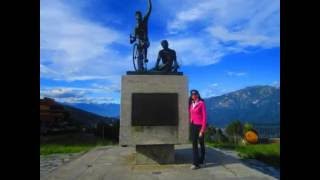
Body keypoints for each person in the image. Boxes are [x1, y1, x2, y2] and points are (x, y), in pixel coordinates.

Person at [130, 0, 152, 71]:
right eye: (137, 17)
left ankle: (145, 57)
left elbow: (149, 9)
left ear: (141, 16)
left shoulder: (144, 20)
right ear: (135, 18)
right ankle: (140, 68)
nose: (138, 18)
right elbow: (133, 38)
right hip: (139, 42)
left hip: (145, 40)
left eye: (139, 16)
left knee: (144, 44)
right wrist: (132, 40)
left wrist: (149, 1)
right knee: (139, 55)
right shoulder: (135, 28)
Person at [189, 89, 207, 170]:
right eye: (192, 94)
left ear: (198, 94)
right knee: (194, 144)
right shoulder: (191, 103)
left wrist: (202, 130)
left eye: (195, 94)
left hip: (200, 126)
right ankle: (195, 163)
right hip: (193, 125)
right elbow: (191, 114)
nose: (193, 95)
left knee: (201, 144)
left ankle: (201, 160)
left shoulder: (201, 103)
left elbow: (204, 117)